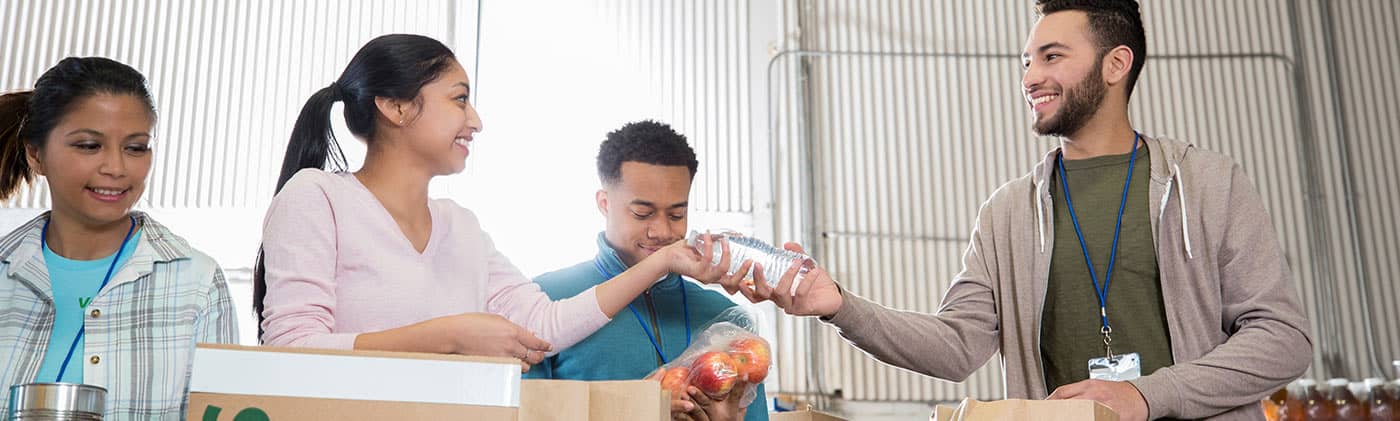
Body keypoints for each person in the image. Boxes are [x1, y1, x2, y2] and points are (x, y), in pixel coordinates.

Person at [716, 1, 1312, 420]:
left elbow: (1283, 339)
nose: (1031, 76)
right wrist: (839, 305)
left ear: (1116, 65)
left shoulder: (1207, 183)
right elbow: (956, 347)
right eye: (1026, 61)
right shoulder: (1006, 212)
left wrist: (1148, 396)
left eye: (1051, 57)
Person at [255, 35, 742, 370]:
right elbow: (292, 347)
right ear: (396, 106)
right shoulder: (317, 198)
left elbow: (546, 324)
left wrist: (664, 262)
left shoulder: (460, 226)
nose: (476, 121)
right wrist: (449, 336)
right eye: (459, 99)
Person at [0, 57, 238, 418]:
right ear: (36, 154)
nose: (116, 168)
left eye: (135, 148)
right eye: (88, 146)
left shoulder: (197, 284)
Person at [524, 121, 769, 421]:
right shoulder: (545, 302)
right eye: (643, 213)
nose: (662, 231)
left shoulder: (726, 319)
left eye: (677, 214)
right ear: (604, 203)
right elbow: (521, 414)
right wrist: (630, 409)